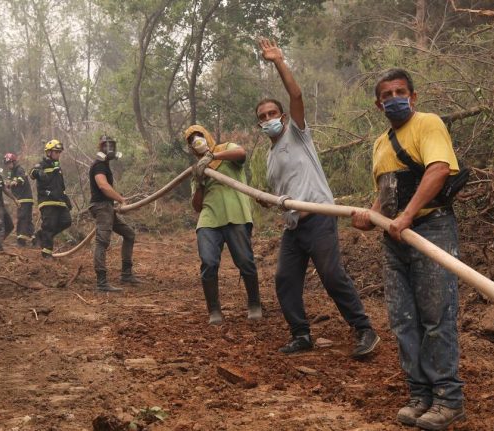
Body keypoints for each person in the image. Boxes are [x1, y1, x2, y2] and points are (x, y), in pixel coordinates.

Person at [352, 68, 465, 430]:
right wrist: (371, 215)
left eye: (401, 91)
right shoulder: (381, 143)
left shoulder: (427, 124)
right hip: (395, 237)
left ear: (413, 97)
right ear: (378, 103)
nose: (395, 98)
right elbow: (387, 191)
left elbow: (438, 169)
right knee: (403, 319)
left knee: (436, 316)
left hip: (430, 229)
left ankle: (448, 399)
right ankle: (420, 394)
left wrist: (407, 215)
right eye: (387, 94)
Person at [255, 38, 380, 356]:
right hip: (293, 226)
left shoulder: (297, 134)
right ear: (259, 123)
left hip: (320, 218)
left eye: (273, 112)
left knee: (331, 274)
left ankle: (364, 330)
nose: (269, 117)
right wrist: (269, 200)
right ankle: (301, 335)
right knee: (284, 280)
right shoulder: (270, 158)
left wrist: (278, 61)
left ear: (282, 117)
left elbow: (295, 94)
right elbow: (285, 192)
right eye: (263, 115)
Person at [184, 125, 261, 324]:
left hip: (236, 214)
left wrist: (213, 157)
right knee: (208, 262)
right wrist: (200, 181)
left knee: (245, 261)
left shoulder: (225, 149)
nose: (196, 141)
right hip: (209, 218)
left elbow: (241, 153)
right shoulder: (197, 168)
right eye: (191, 140)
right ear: (191, 148)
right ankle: (214, 310)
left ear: (207, 136)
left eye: (198, 135)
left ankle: (254, 304)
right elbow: (197, 206)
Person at [88, 135, 142, 291]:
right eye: (106, 146)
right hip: (101, 207)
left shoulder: (105, 165)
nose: (110, 149)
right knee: (102, 242)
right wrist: (120, 199)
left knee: (129, 234)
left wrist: (116, 202)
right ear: (101, 147)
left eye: (112, 145)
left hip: (107, 207)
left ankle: (126, 274)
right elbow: (103, 186)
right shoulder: (98, 165)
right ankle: (102, 282)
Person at [31, 140, 72, 259]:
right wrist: (39, 173)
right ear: (48, 152)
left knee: (66, 221)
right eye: (56, 152)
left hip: (59, 201)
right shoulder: (42, 164)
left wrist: (66, 200)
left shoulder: (58, 167)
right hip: (47, 201)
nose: (58, 154)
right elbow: (32, 173)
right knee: (49, 226)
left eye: (59, 152)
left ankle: (41, 235)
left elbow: (61, 186)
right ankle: (46, 254)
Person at [4, 153, 34, 247]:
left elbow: (21, 179)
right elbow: (8, 182)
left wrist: (13, 182)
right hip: (23, 199)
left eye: (9, 163)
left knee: (21, 218)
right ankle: (35, 239)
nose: (8, 165)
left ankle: (21, 241)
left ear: (13, 161)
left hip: (24, 198)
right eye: (6, 163)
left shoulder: (19, 169)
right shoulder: (11, 172)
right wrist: (6, 183)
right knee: (27, 220)